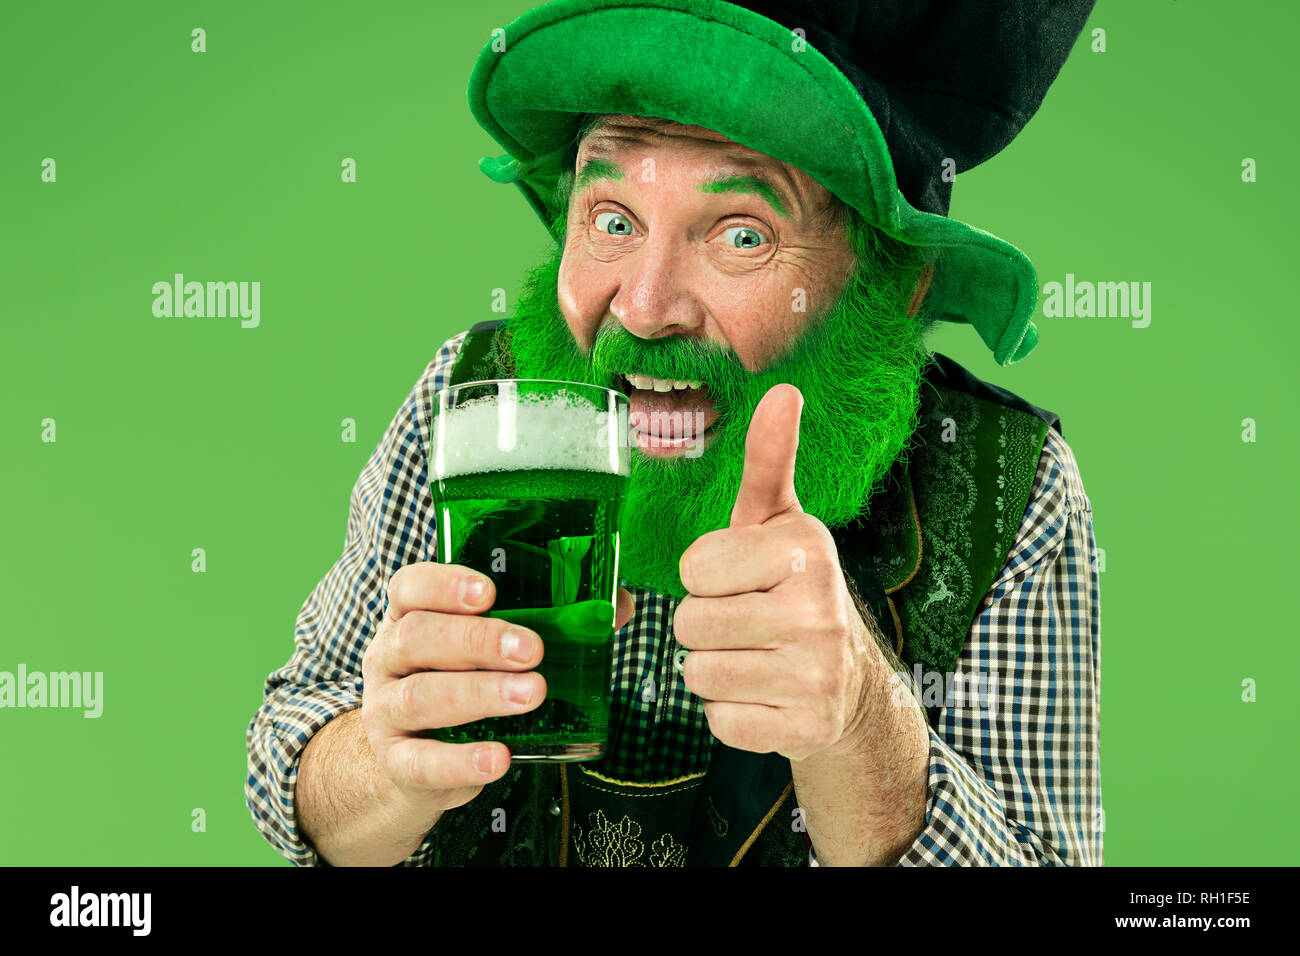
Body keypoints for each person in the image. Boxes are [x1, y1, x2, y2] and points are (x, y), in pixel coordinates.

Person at [245, 0, 1101, 866]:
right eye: (613, 219)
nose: (645, 310)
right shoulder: (474, 407)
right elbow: (293, 748)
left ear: (894, 288)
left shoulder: (1008, 483)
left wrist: (860, 725)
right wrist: (387, 766)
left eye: (740, 234)